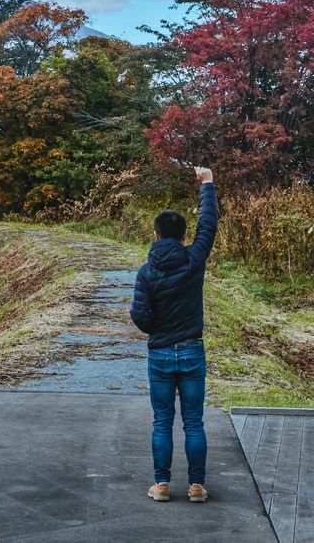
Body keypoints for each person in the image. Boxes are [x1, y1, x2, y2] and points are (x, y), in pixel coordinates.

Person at [130, 166, 218, 504]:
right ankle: (197, 486)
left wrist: (158, 329)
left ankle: (162, 485)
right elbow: (208, 224)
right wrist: (206, 184)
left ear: (155, 235)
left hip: (162, 353)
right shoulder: (194, 260)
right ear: (183, 236)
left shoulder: (146, 271)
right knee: (194, 422)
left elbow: (139, 314)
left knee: (162, 421)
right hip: (193, 351)